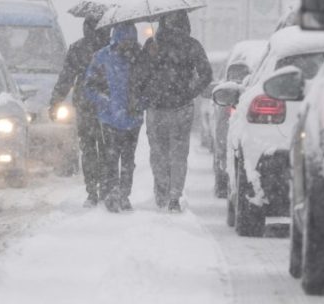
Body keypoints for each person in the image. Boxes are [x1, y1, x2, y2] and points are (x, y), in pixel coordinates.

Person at [140, 11, 212, 213]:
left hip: (156, 109)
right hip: (182, 108)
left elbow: (139, 75)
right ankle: (174, 197)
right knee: (179, 154)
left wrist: (147, 93)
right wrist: (190, 92)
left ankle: (162, 194)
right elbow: (206, 74)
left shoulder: (152, 44)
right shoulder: (192, 45)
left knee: (158, 154)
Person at [83, 23, 146, 213]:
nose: (127, 44)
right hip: (110, 118)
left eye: (130, 40)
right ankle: (112, 193)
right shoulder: (103, 57)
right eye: (124, 40)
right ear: (117, 39)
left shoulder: (141, 58)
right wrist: (104, 100)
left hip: (131, 118)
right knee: (110, 159)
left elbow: (149, 84)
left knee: (127, 160)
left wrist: (141, 101)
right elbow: (89, 86)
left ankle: (124, 195)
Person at [49, 16, 111, 207]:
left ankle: (92, 190)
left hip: (85, 105)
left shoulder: (78, 48)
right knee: (107, 148)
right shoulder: (110, 47)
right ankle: (106, 188)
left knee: (89, 149)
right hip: (109, 105)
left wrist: (56, 101)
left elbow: (67, 77)